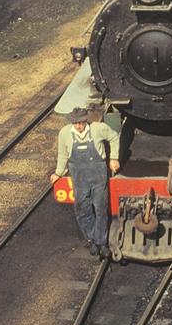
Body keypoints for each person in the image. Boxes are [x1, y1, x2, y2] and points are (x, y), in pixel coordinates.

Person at [50, 108, 120, 259]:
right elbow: (62, 154)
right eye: (75, 123)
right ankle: (92, 239)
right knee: (82, 209)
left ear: (85, 120)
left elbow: (114, 137)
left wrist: (114, 158)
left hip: (98, 175)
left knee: (101, 208)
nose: (78, 126)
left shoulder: (98, 128)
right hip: (79, 177)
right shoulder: (64, 133)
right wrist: (58, 172)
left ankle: (101, 242)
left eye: (81, 123)